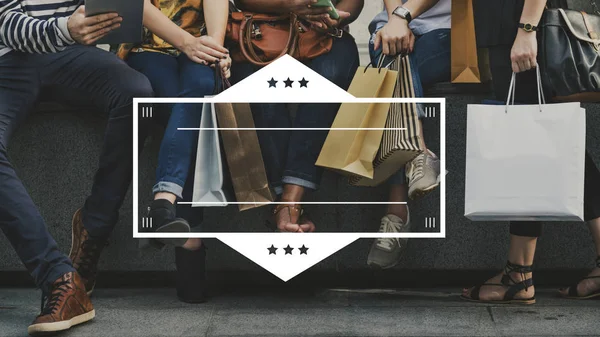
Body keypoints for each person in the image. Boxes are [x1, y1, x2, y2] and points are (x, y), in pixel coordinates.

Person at [0, 0, 154, 335]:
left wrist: (93, 24)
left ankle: (93, 229)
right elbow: (5, 22)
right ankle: (60, 279)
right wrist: (63, 28)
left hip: (72, 53)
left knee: (136, 92)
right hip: (7, 59)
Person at [462, 0, 600, 304]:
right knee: (556, 147)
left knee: (530, 146)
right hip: (515, 26)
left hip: (521, 24)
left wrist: (527, 29)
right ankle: (519, 272)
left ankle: (519, 274)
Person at [118, 0, 231, 303]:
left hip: (200, 45)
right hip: (148, 48)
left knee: (200, 87)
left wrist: (214, 49)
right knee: (179, 105)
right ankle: (190, 241)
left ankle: (163, 206)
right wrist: (189, 44)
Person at [231, 0, 363, 233]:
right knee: (260, 89)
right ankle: (287, 204)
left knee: (329, 77)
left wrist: (338, 17)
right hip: (260, 34)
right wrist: (291, 5)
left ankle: (290, 200)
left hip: (324, 36)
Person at [365, 0, 448, 268]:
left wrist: (403, 15)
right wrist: (394, 22)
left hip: (450, 29)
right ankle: (420, 156)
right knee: (390, 52)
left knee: (392, 72)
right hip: (393, 26)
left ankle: (396, 211)